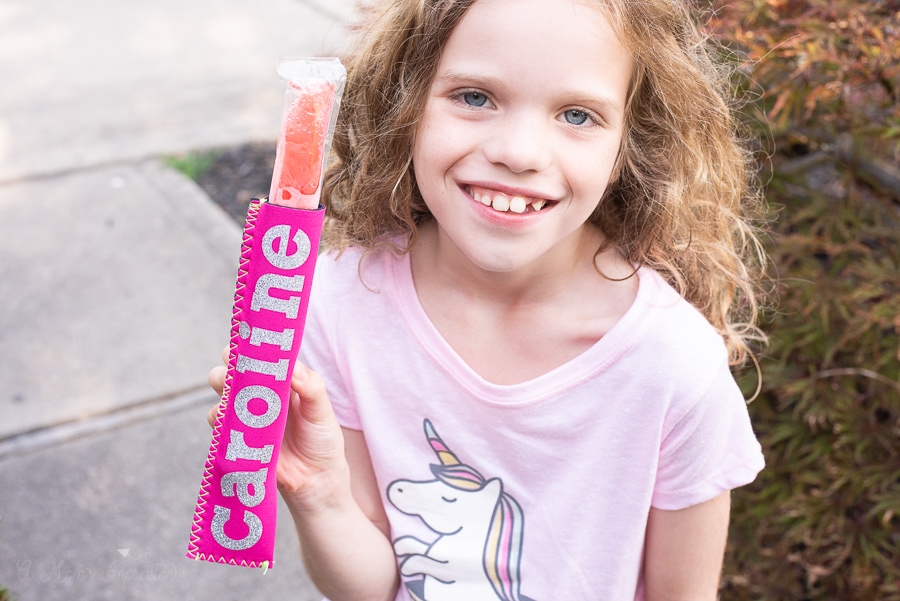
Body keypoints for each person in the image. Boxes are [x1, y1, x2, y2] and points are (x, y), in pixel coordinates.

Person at [209, 0, 769, 598]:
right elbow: (371, 586)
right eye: (475, 97)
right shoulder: (339, 303)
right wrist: (318, 496)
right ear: (408, 101)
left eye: (578, 114)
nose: (519, 152)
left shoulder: (672, 368)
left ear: (631, 144)